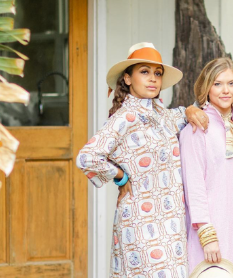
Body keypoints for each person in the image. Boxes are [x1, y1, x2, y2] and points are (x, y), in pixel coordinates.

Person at [75, 42, 195, 277]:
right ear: (128, 79)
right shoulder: (124, 117)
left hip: (172, 222)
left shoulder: (162, 114)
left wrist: (192, 110)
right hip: (140, 222)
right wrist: (120, 177)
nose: (153, 79)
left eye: (157, 73)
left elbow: (184, 114)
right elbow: (87, 157)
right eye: (144, 72)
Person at [178, 57, 233, 274]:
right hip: (211, 231)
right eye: (217, 84)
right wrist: (206, 232)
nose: (225, 90)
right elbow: (194, 184)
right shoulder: (196, 129)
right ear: (206, 87)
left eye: (231, 83)